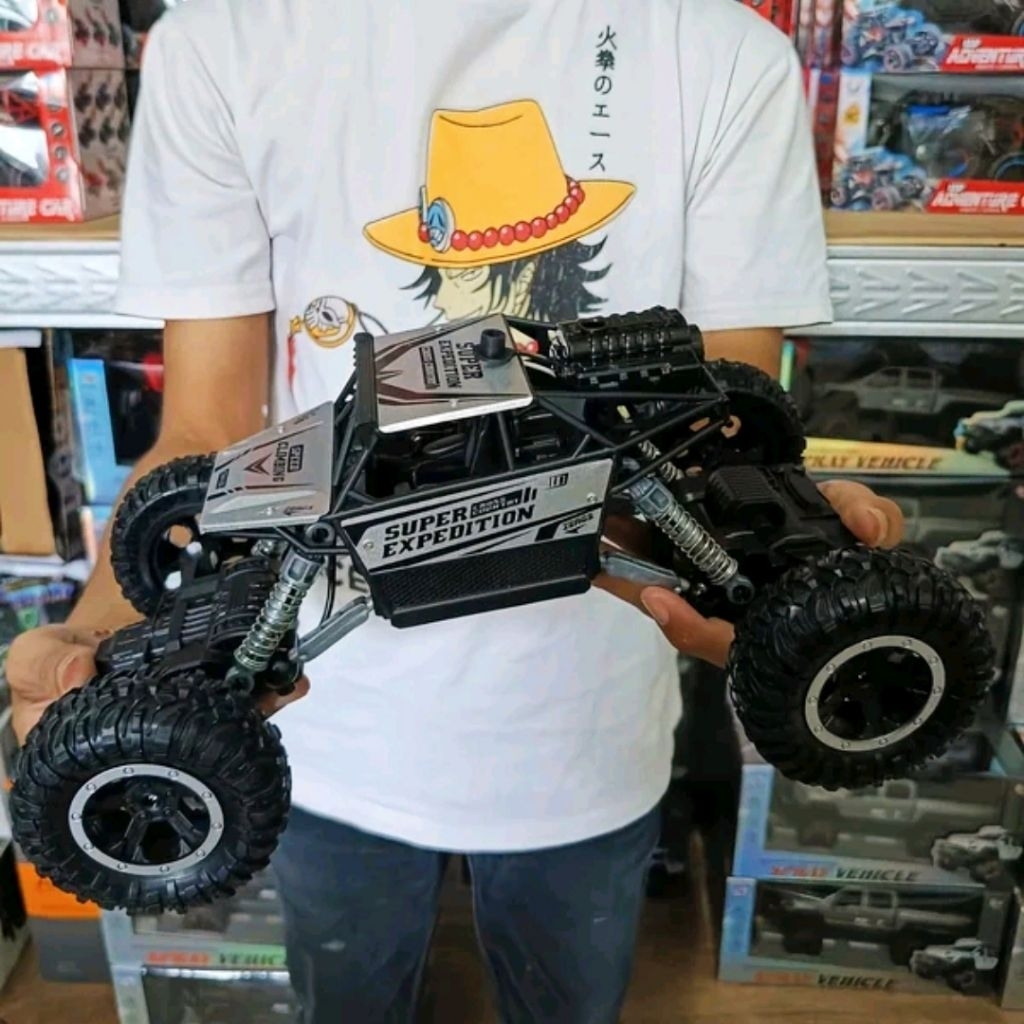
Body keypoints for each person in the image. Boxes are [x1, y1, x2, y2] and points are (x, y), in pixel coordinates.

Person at [7, 1, 905, 1021]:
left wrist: (782, 556)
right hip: (324, 741)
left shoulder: (721, 52)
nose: (458, 275)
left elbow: (721, 426)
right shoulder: (221, 42)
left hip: (587, 733)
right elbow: (203, 433)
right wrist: (98, 643)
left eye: (474, 260)